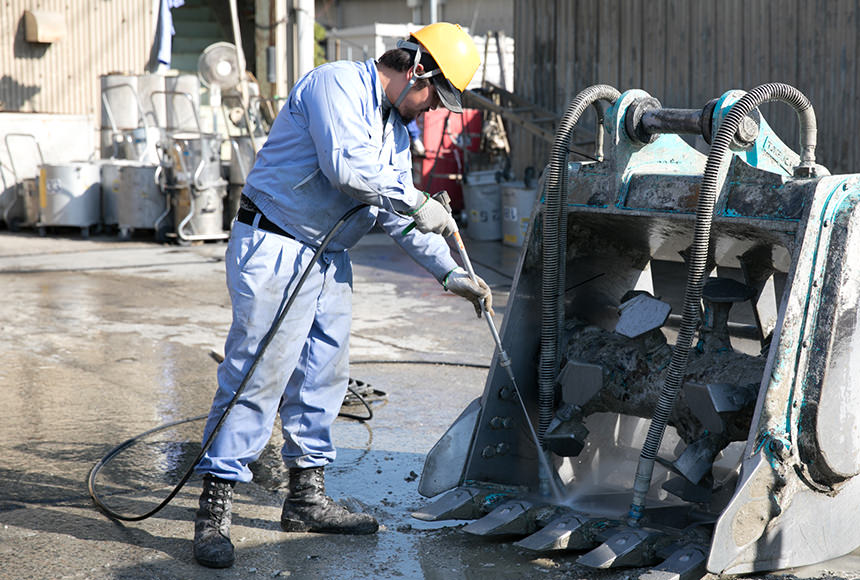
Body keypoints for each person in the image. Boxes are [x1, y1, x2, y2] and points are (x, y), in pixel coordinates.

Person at [192, 22, 493, 569]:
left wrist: (450, 273)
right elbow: (350, 172)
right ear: (417, 70)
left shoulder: (397, 132)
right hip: (276, 242)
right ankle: (215, 506)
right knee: (258, 378)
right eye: (434, 100)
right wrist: (416, 199)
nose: (432, 112)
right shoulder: (334, 84)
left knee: (322, 376)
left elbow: (395, 217)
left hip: (328, 255)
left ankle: (305, 498)